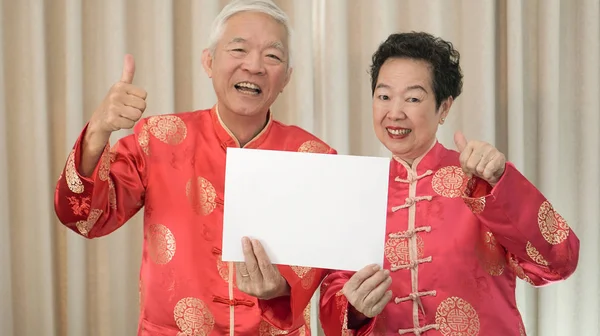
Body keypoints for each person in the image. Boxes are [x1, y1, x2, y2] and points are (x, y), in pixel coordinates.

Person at [53, 0, 334, 335]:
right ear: (208, 62)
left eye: (273, 56)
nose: (255, 66)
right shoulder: (158, 139)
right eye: (239, 49)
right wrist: (98, 130)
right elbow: (85, 217)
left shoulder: (313, 157)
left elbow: (328, 270)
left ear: (286, 78)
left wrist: (284, 288)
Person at [318, 32, 580, 336]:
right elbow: (333, 292)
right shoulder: (357, 191)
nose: (395, 112)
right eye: (384, 96)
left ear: (444, 107)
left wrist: (500, 183)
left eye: (413, 98)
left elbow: (559, 262)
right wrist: (355, 310)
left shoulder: (481, 180)